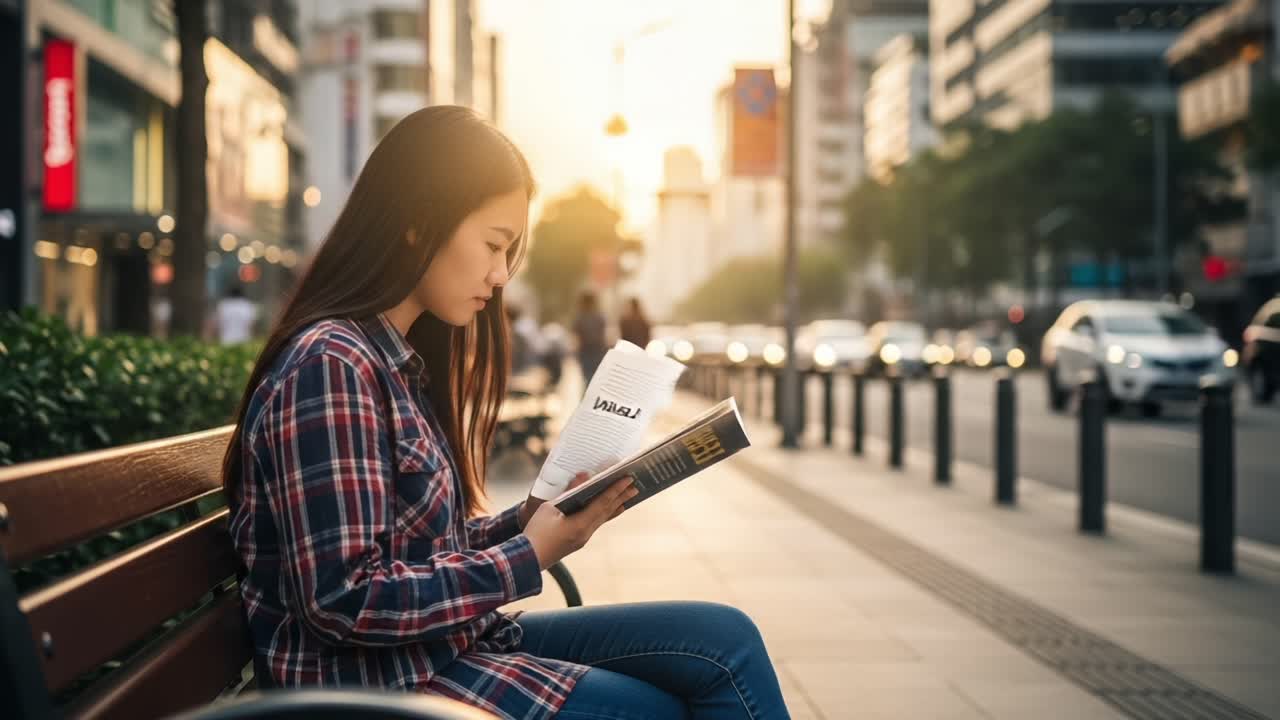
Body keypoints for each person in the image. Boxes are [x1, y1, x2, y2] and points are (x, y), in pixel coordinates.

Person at [221, 106, 789, 720]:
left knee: (724, 642)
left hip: (441, 652)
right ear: (417, 223)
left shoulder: (391, 363)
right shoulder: (332, 364)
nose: (499, 276)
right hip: (382, 691)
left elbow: (415, 549)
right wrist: (529, 555)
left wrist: (531, 520)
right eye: (494, 245)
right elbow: (344, 599)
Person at [572, 291, 608, 387]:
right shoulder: (600, 317)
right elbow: (604, 336)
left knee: (588, 378)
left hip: (585, 352)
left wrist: (575, 353)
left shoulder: (580, 318)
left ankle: (588, 397)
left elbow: (576, 339)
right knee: (597, 378)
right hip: (598, 351)